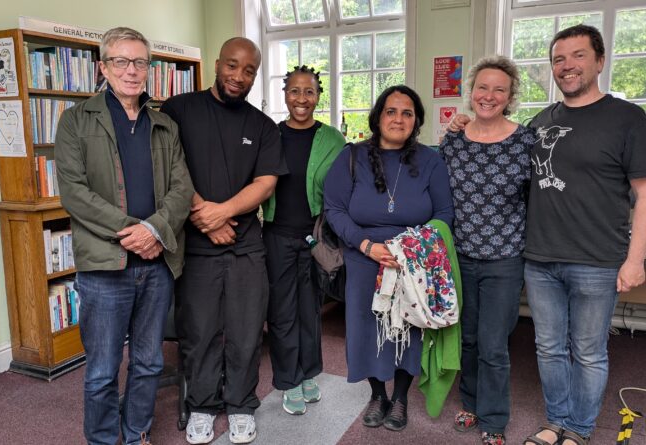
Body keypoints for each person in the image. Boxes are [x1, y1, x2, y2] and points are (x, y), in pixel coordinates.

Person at [450, 25, 646, 445]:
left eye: (578, 56)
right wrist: (463, 122)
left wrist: (635, 260)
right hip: (541, 258)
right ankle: (555, 422)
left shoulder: (627, 118)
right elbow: (503, 153)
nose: (567, 66)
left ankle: (578, 430)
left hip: (597, 260)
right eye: (559, 59)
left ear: (599, 61)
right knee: (548, 348)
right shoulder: (542, 123)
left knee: (588, 351)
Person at [55, 27, 194, 445]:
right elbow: (74, 193)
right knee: (101, 370)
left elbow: (182, 188)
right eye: (121, 61)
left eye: (140, 62)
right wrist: (133, 230)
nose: (131, 70)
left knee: (149, 362)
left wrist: (154, 230)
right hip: (104, 266)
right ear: (103, 67)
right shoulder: (75, 120)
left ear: (148, 68)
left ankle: (137, 435)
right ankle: (102, 440)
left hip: (157, 263)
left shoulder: (164, 124)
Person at [159, 37, 286, 445]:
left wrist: (223, 211)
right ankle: (201, 405)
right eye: (232, 65)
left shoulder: (263, 126)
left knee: (247, 332)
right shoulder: (178, 110)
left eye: (249, 70)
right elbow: (170, 168)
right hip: (195, 248)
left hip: (246, 246)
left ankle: (241, 406)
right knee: (199, 332)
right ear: (217, 64)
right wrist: (205, 216)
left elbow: (265, 183)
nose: (238, 76)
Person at [324, 85, 454, 432]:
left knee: (409, 330)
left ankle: (400, 398)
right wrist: (366, 245)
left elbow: (444, 213)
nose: (398, 119)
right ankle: (378, 394)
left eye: (407, 113)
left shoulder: (431, 161)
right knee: (367, 329)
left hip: (412, 263)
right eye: (391, 111)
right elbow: (334, 209)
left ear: (416, 121)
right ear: (378, 117)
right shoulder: (351, 157)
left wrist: (411, 248)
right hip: (364, 258)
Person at [439, 55, 535, 445]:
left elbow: (540, 200)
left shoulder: (526, 141)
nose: (489, 96)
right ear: (471, 91)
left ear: (510, 97)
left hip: (504, 260)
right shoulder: (453, 141)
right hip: (460, 257)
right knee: (467, 339)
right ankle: (471, 403)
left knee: (494, 345)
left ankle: (494, 418)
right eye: (482, 87)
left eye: (499, 89)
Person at [260, 65, 346, 415]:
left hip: (316, 238)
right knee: (282, 313)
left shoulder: (333, 140)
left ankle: (309, 373)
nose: (301, 98)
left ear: (318, 96)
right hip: (277, 236)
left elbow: (345, 188)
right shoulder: (270, 135)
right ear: (285, 94)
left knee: (311, 311)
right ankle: (288, 380)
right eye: (294, 91)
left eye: (309, 91)